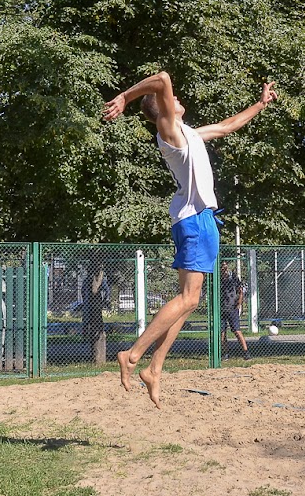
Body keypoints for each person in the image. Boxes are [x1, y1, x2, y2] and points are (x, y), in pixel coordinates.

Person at [103, 71, 277, 407]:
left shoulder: (189, 134)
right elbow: (163, 78)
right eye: (173, 99)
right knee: (187, 298)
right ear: (164, 109)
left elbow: (229, 125)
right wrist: (127, 96)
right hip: (195, 221)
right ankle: (133, 353)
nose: (178, 99)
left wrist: (260, 104)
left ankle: (155, 367)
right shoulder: (169, 130)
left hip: (201, 220)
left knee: (191, 300)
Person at [220, 261, 250, 360]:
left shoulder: (233, 277)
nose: (224, 268)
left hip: (232, 308)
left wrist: (239, 303)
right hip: (221, 309)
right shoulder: (217, 278)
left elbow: (240, 291)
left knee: (237, 331)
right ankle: (225, 353)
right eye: (222, 266)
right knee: (222, 332)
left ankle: (246, 352)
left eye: (225, 265)